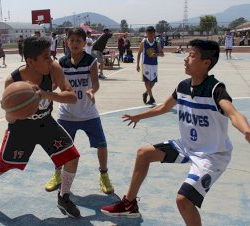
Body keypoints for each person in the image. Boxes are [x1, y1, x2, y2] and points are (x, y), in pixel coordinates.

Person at [101, 39, 250, 226]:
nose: (186, 58)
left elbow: (233, 113)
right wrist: (139, 116)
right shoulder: (183, 86)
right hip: (187, 146)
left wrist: (246, 130)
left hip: (211, 155)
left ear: (206, 63)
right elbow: (164, 107)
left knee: (183, 201)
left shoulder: (215, 89)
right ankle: (129, 204)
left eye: (192, 55)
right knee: (143, 154)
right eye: (187, 54)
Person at [0, 36, 82, 218]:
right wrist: (12, 109)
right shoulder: (13, 81)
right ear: (30, 61)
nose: (51, 59)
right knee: (1, 166)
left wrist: (45, 94)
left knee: (72, 157)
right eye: (46, 56)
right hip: (22, 128)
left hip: (45, 123)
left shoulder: (53, 69)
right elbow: (10, 120)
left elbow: (72, 97)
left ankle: (64, 196)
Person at [45, 27, 114, 195]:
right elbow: (55, 84)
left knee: (102, 145)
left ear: (85, 43)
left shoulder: (91, 60)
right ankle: (57, 174)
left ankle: (104, 175)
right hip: (66, 114)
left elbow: (95, 82)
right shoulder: (61, 62)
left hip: (88, 112)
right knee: (59, 147)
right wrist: (46, 91)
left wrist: (92, 91)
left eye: (79, 41)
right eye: (72, 40)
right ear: (67, 42)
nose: (75, 43)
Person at [137, 26, 164, 105]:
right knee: (146, 81)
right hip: (145, 64)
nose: (150, 35)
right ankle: (151, 98)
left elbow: (162, 54)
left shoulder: (157, 43)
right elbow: (139, 53)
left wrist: (156, 54)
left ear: (154, 34)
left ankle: (145, 93)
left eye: (152, 33)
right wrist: (137, 65)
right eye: (149, 33)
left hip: (154, 64)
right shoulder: (144, 42)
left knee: (153, 82)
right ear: (146, 33)